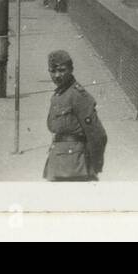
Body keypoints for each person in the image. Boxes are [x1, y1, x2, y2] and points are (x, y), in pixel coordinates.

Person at [42, 50, 107, 182]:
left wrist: (94, 166)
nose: (57, 75)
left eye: (62, 70)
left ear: (71, 70)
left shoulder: (78, 96)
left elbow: (98, 135)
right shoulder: (59, 94)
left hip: (76, 167)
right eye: (52, 71)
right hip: (58, 162)